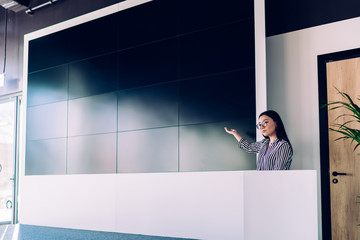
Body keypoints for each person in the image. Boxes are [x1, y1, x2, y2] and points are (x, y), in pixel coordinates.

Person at [224, 110, 293, 170]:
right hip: (260, 182)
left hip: (273, 184)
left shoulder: (283, 145)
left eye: (265, 122)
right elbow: (248, 147)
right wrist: (235, 133)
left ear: (276, 123)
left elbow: (278, 172)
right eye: (259, 125)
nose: (262, 127)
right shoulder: (264, 143)